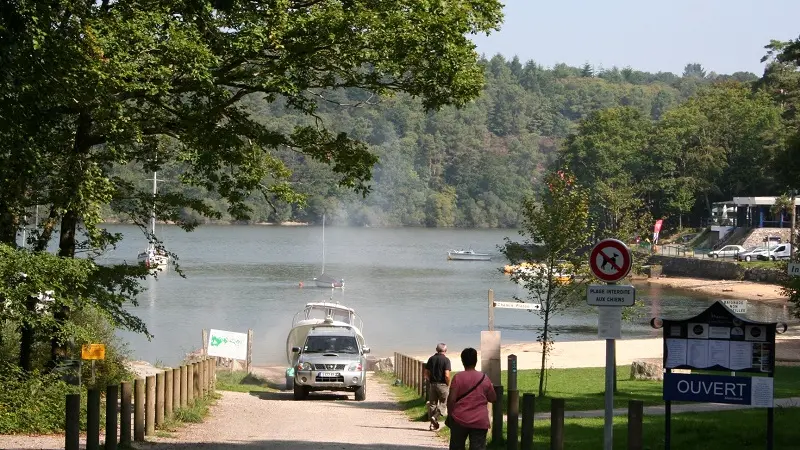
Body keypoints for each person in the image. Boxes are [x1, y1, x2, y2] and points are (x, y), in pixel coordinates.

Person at [446, 347, 496, 450]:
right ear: (476, 361)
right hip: (479, 420)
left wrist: (450, 415)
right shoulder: (484, 378)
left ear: (462, 361)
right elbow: (493, 398)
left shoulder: (458, 378)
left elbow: (451, 400)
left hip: (459, 419)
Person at [424, 343, 451, 430]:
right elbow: (447, 375)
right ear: (445, 350)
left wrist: (430, 380)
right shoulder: (446, 360)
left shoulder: (431, 359)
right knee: (443, 404)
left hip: (433, 384)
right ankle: (435, 417)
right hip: (442, 384)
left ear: (436, 349)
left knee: (432, 404)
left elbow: (426, 373)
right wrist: (448, 384)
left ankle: (432, 425)